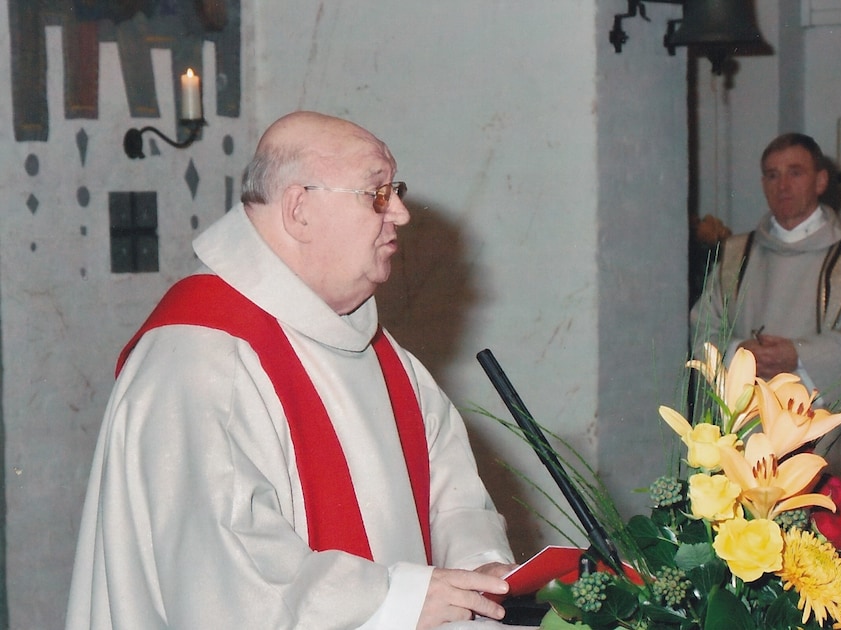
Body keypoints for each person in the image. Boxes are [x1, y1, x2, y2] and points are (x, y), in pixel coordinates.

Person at [66, 111, 515, 629]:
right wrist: (396, 600)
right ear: (299, 209)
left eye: (396, 190)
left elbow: (452, 498)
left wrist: (481, 569)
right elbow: (226, 579)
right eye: (377, 193)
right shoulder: (199, 356)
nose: (401, 213)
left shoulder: (384, 357)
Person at [690, 132, 841, 529]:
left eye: (795, 173)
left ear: (821, 181)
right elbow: (704, 327)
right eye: (771, 175)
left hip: (823, 428)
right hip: (750, 427)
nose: (782, 185)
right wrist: (742, 353)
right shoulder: (736, 255)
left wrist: (799, 355)